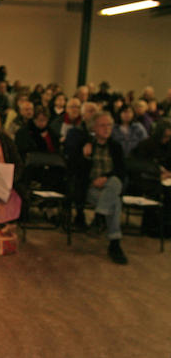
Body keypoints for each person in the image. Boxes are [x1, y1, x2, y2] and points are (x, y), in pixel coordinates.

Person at [67, 112, 127, 264]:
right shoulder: (84, 144)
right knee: (116, 203)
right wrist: (85, 157)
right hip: (90, 188)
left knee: (114, 182)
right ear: (93, 128)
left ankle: (100, 216)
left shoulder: (116, 147)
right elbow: (74, 169)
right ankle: (114, 244)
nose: (106, 129)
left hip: (109, 185)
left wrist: (106, 177)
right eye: (102, 125)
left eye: (109, 125)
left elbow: (122, 171)